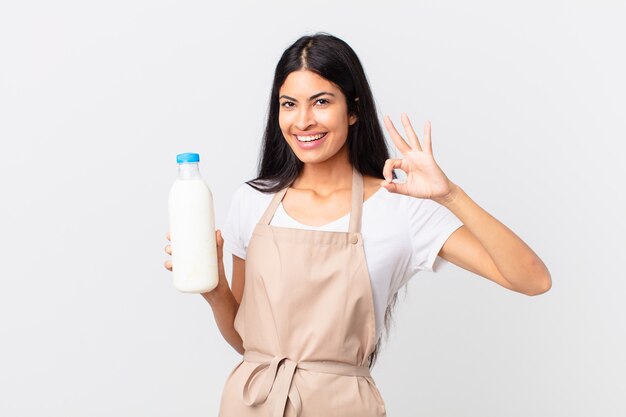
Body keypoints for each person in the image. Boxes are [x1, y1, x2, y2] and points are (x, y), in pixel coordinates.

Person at [164, 33, 551, 417]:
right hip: (250, 405)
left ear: (353, 109)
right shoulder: (252, 201)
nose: (303, 121)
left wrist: (450, 195)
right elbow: (247, 342)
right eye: (289, 104)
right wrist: (214, 289)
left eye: (321, 102)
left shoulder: (399, 208)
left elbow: (532, 280)